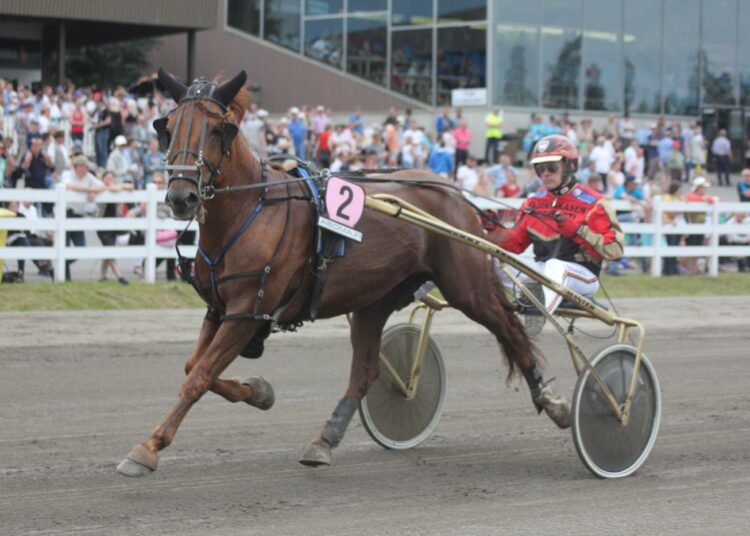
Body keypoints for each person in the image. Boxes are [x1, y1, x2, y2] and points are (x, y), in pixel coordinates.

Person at [495, 135, 624, 335]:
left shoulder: (596, 203)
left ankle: (533, 321)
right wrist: (491, 232)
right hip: (543, 272)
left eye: (551, 168)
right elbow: (514, 245)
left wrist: (579, 231)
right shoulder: (532, 203)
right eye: (540, 168)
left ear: (570, 166)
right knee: (491, 257)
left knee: (556, 267)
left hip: (583, 277)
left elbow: (615, 251)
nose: (545, 174)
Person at [96, 170, 133, 285]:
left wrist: (116, 186)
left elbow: (130, 186)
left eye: (111, 178)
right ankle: (120, 276)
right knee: (110, 248)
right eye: (106, 178)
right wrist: (111, 187)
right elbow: (97, 190)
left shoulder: (115, 188)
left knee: (108, 249)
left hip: (114, 224)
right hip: (102, 224)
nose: (108, 181)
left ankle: (102, 276)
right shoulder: (100, 189)